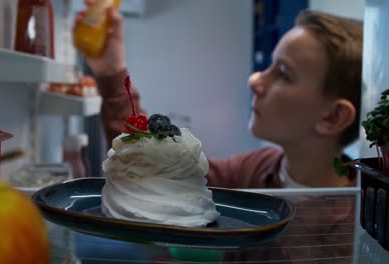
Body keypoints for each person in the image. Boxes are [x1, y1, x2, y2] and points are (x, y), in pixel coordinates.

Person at [75, 2, 363, 189]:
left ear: (333, 116)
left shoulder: (363, 223)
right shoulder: (257, 170)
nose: (255, 80)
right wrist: (112, 71)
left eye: (284, 74)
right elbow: (151, 166)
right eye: (269, 66)